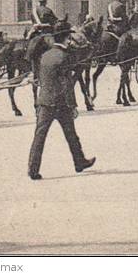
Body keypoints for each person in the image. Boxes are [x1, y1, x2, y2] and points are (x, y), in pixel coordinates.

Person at [27, 21, 95, 180]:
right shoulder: (66, 56)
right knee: (71, 134)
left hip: (44, 101)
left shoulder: (45, 55)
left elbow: (42, 79)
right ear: (66, 38)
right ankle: (79, 162)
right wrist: (72, 105)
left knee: (40, 136)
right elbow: (67, 84)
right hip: (61, 104)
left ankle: (33, 169)